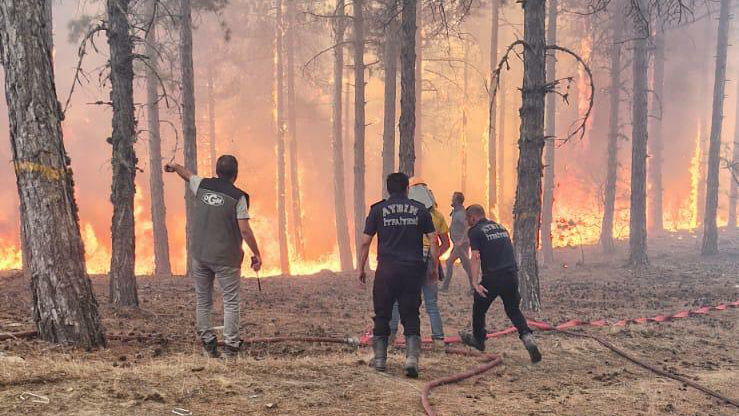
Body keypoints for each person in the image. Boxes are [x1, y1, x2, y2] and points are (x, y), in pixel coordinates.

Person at [165, 155, 262, 358]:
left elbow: (187, 175)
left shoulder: (203, 186)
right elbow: (244, 230)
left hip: (201, 255)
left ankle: (208, 341)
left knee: (203, 300)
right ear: (235, 174)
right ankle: (230, 346)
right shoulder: (238, 197)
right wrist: (256, 253)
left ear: (217, 171)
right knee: (231, 302)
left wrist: (174, 166)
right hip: (227, 258)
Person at [357, 173, 438, 378]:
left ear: (388, 189)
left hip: (387, 270)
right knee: (411, 313)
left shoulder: (378, 210)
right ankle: (411, 359)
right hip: (412, 270)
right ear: (406, 189)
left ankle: (380, 359)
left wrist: (361, 268)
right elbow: (433, 238)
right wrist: (433, 267)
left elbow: (365, 242)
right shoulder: (420, 209)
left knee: (382, 312)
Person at [458, 204, 542, 363]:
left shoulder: (475, 231)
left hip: (493, 277)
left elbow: (475, 257)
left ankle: (479, 340)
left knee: (479, 306)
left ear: (474, 217)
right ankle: (527, 337)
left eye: (467, 219)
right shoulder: (500, 227)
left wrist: (475, 282)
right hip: (511, 275)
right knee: (513, 310)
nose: (467, 222)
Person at [388, 179, 449, 349]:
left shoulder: (408, 213)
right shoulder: (438, 216)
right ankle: (438, 340)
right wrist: (434, 259)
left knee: (396, 301)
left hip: (409, 260)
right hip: (430, 260)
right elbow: (446, 244)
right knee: (431, 303)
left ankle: (390, 338)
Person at [442, 191, 474, 293]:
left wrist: (461, 240)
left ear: (457, 201)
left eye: (453, 198)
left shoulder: (461, 214)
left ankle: (446, 287)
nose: (451, 200)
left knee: (456, 263)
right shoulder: (456, 211)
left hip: (461, 244)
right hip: (457, 244)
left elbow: (468, 226)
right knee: (463, 265)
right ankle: (446, 286)